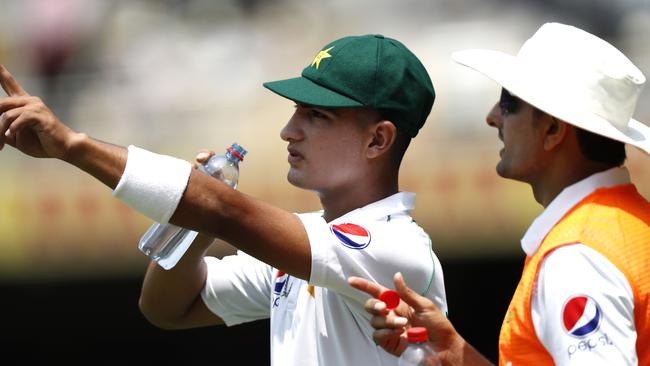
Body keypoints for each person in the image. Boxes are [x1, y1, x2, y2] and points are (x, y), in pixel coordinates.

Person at [0, 34, 448, 365]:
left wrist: (73, 145)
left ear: (377, 140)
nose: (289, 130)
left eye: (316, 115)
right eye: (296, 111)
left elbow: (223, 211)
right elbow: (168, 307)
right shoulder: (313, 241)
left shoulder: (394, 249)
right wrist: (199, 215)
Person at [349, 22, 650, 366]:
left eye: (509, 103)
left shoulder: (576, 258)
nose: (493, 117)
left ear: (552, 129)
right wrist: (452, 354)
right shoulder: (633, 223)